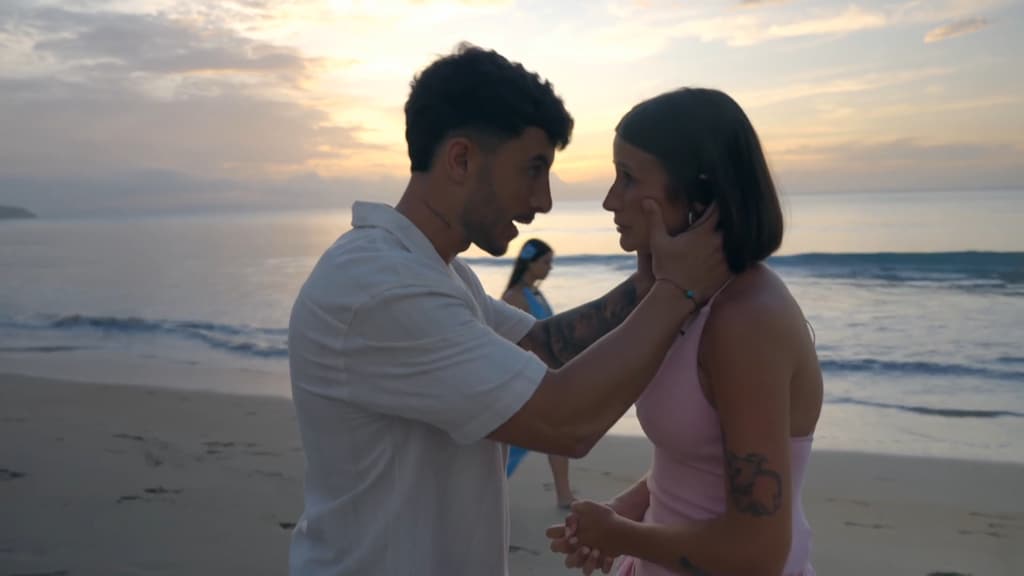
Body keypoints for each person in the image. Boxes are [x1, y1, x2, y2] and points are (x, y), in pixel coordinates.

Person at [286, 44, 730, 576]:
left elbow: (543, 353)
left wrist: (646, 285)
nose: (542, 201)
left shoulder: (440, 275)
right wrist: (677, 289)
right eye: (533, 169)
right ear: (461, 159)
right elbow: (565, 421)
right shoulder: (379, 287)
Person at [547, 88, 823, 576]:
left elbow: (758, 553)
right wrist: (627, 509)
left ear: (699, 194)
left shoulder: (745, 321)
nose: (611, 199)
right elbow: (694, 464)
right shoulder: (681, 297)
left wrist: (619, 535)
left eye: (628, 179)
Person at [501, 238, 574, 509]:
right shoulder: (514, 298)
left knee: (555, 436)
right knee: (513, 447)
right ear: (529, 263)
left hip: (545, 376)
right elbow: (507, 342)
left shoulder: (536, 293)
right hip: (526, 380)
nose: (549, 268)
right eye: (545, 262)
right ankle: (484, 494)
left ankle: (564, 494)